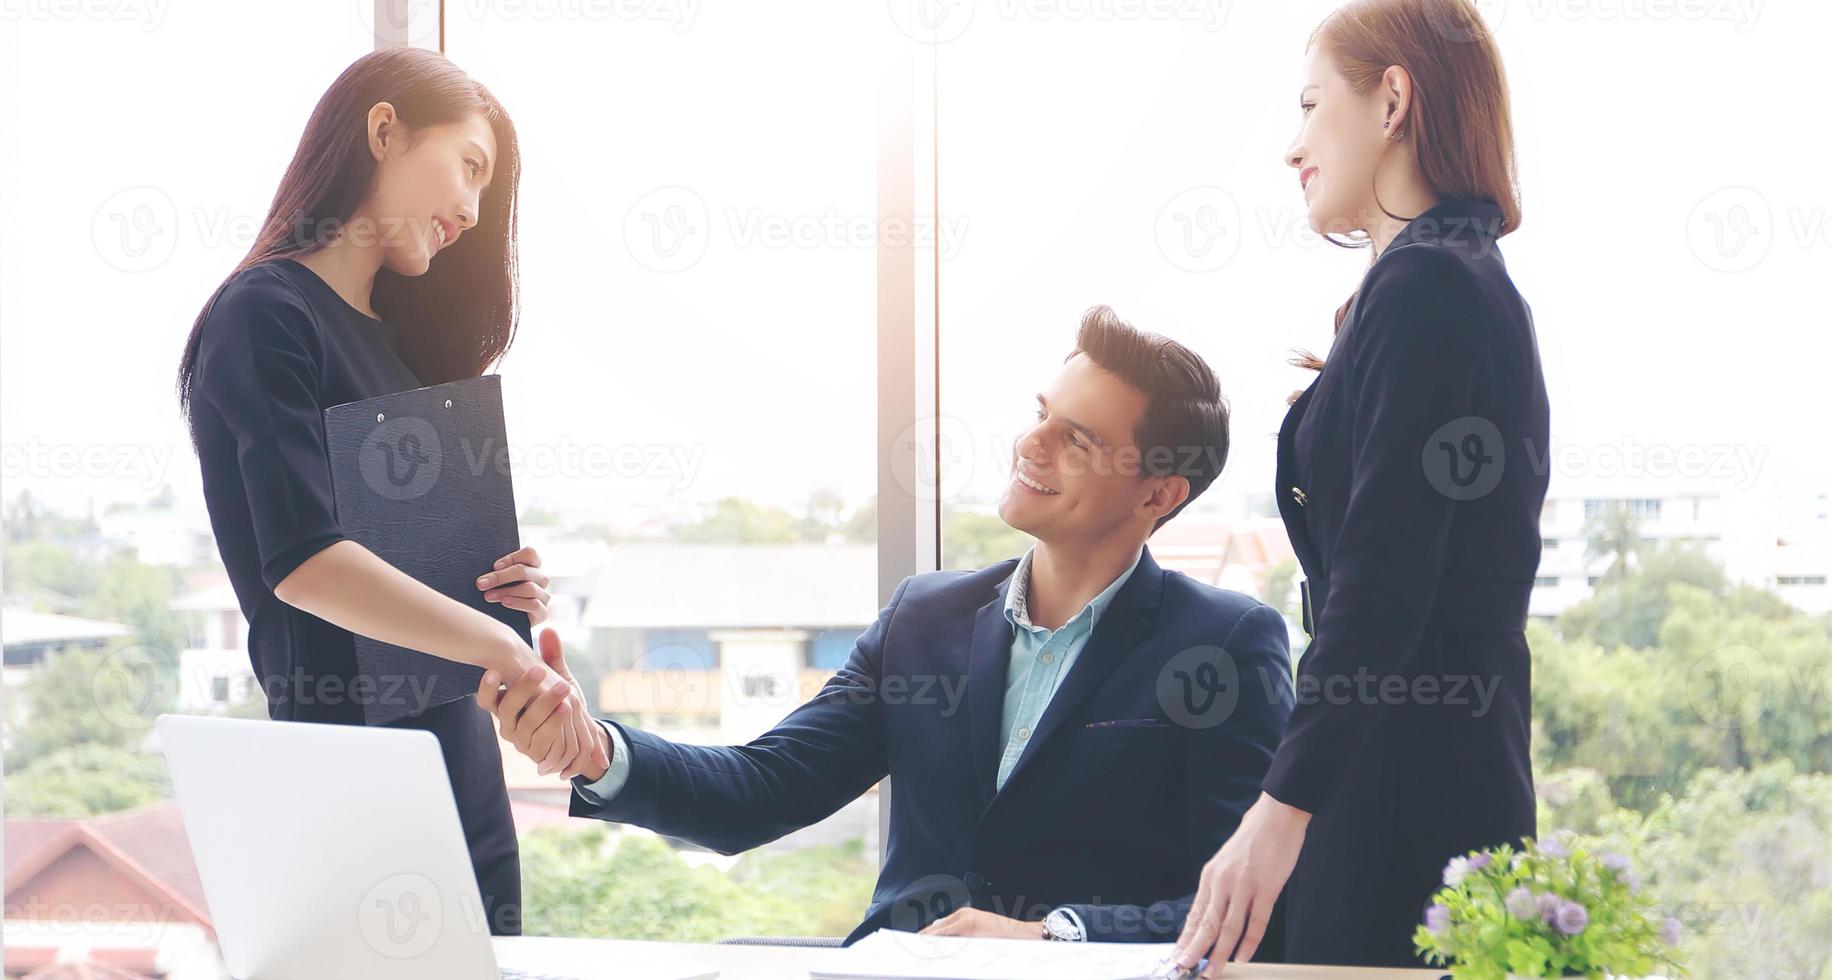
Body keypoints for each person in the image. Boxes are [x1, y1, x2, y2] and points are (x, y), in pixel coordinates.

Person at [485, 307, 1295, 946]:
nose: (1029, 444)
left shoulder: (1225, 644)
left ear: (1160, 495)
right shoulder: (925, 618)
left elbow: (1240, 907)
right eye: (1041, 414)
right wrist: (598, 751)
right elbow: (761, 790)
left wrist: (1050, 938)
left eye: (1075, 439)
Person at [176, 47, 601, 937]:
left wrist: (495, 589)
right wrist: (502, 647)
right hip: (347, 776)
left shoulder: (407, 357)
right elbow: (306, 565)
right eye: (469, 168)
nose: (473, 212)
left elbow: (408, 584)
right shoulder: (265, 314)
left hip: (458, 763)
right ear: (384, 130)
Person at [1172, 0, 1549, 970]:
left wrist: (1276, 811)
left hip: (1403, 777)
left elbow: (1382, 585)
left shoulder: (1428, 288)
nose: (1289, 144)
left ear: (1390, 99)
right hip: (1418, 754)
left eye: (1308, 104)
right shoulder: (1440, 282)